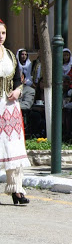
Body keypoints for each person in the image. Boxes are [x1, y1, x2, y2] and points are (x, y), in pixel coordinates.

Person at [0, 20, 32, 205]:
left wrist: (19, 91)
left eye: (3, 33)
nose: (0, 36)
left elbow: (18, 80)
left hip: (10, 107)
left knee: (14, 148)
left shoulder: (11, 56)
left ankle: (17, 190)